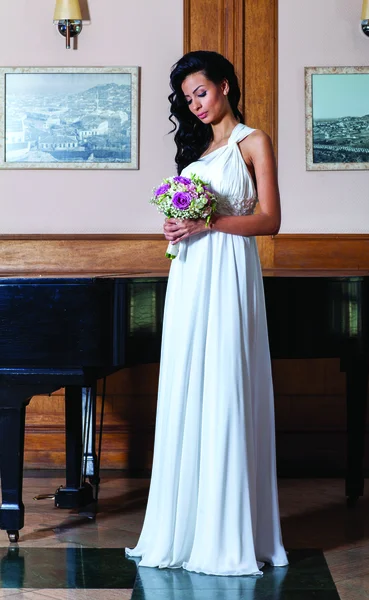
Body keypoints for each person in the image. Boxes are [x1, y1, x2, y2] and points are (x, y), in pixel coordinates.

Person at [126, 50, 288, 576]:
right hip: (191, 277)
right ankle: (186, 526)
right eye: (187, 98)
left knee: (224, 385)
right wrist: (176, 227)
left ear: (224, 85)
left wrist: (210, 223)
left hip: (230, 278)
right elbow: (187, 219)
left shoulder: (253, 142)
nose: (195, 104)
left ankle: (228, 532)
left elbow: (269, 221)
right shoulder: (197, 150)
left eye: (201, 92)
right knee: (187, 386)